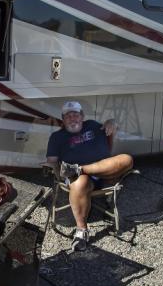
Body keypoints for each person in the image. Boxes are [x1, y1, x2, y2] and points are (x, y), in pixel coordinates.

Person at [45, 101, 133, 251]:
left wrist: (112, 122)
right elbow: (52, 162)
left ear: (83, 116)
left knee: (127, 159)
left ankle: (79, 169)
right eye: (68, 115)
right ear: (63, 119)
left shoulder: (92, 125)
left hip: (105, 170)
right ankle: (81, 230)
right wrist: (54, 170)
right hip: (78, 179)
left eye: (76, 114)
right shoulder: (57, 137)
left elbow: (111, 126)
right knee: (81, 182)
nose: (72, 118)